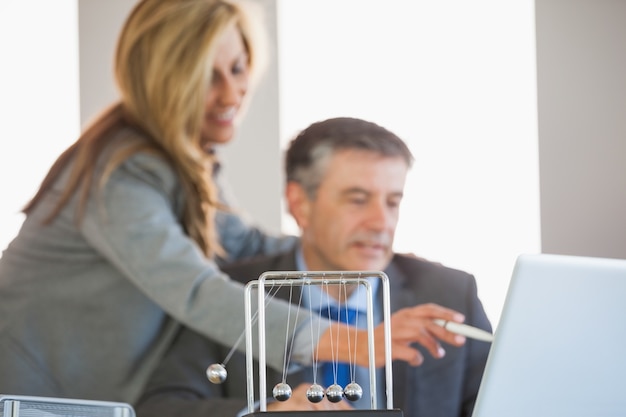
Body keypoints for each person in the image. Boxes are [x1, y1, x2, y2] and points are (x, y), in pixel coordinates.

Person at [0, 0, 403, 404]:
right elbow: (196, 289)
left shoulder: (187, 162)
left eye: (237, 68)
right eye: (208, 77)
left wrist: (365, 244)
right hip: (32, 396)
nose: (231, 93)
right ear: (162, 81)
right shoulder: (119, 172)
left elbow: (248, 244)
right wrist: (347, 341)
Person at [134, 117, 493, 417]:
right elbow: (159, 408)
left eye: (392, 202)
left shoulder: (449, 294)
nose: (381, 222)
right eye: (358, 200)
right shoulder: (235, 292)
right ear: (299, 203)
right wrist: (267, 412)